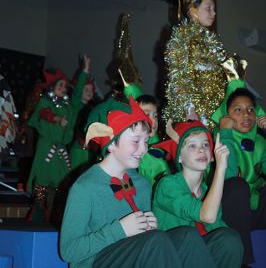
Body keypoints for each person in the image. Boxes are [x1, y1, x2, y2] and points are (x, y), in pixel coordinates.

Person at [60, 97, 228, 268]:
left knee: (187, 235)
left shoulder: (141, 183)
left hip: (133, 254)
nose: (143, 149)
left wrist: (150, 226)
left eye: (146, 141)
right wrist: (120, 230)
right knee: (155, 241)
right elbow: (69, 251)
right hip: (96, 262)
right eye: (135, 141)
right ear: (111, 144)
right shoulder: (85, 187)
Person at [164, 0, 243, 128]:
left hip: (218, 111)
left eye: (214, 9)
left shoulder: (213, 41)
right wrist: (190, 109)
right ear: (192, 11)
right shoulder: (181, 39)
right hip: (196, 115)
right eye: (209, 8)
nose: (213, 13)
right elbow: (179, 76)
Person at [153, 120, 244, 268]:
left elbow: (217, 228)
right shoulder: (168, 185)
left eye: (205, 145)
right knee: (189, 236)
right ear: (179, 157)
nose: (201, 150)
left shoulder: (209, 193)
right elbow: (206, 215)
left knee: (230, 239)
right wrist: (220, 168)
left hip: (200, 256)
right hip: (171, 257)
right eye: (192, 145)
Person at [26, 55, 90, 221]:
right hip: (46, 147)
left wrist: (84, 71)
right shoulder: (46, 102)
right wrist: (56, 119)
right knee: (41, 181)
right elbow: (43, 113)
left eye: (64, 85)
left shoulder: (68, 106)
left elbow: (76, 96)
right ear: (52, 87)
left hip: (61, 149)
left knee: (59, 182)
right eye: (60, 85)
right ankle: (37, 215)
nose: (63, 88)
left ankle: (51, 214)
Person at [212, 82, 266, 266]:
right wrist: (225, 132)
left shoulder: (259, 142)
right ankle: (242, 261)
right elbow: (229, 174)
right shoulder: (217, 137)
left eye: (251, 110)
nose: (246, 115)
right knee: (237, 186)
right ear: (226, 115)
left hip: (252, 209)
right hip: (225, 210)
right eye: (238, 110)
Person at [136, 94, 172, 187]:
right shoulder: (133, 152)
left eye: (155, 116)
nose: (154, 120)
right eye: (147, 114)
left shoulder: (156, 143)